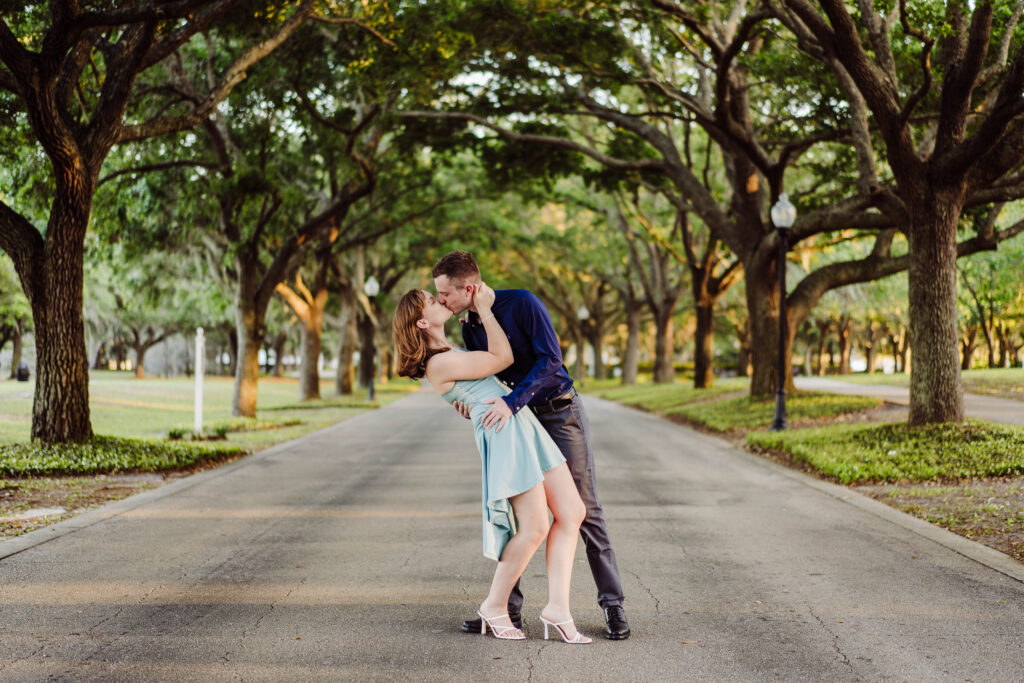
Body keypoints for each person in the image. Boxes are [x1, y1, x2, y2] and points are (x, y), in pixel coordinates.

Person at [432, 250, 630, 640]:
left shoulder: (522, 302)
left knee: (583, 510)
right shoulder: (470, 327)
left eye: (445, 294)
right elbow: (488, 371)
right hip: (520, 422)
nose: (441, 301)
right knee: (523, 514)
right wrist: (469, 401)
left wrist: (509, 401)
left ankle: (613, 605)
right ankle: (507, 609)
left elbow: (551, 361)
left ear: (468, 287)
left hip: (558, 413)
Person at [394, 284, 592, 644]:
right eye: (432, 300)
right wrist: (485, 309)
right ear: (422, 322)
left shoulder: (451, 350)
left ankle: (558, 608)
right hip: (506, 434)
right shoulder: (439, 362)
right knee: (534, 526)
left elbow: (485, 384)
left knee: (572, 511)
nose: (441, 301)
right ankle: (494, 605)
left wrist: (471, 400)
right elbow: (503, 359)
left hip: (519, 422)